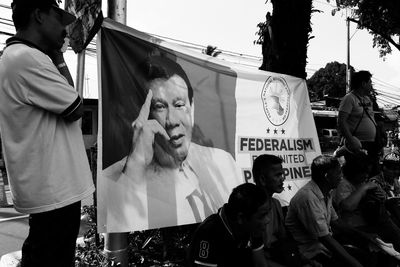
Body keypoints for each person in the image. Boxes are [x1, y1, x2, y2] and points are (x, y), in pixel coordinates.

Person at [98, 56, 243, 232]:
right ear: (143, 114)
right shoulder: (116, 179)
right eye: (159, 107)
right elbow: (117, 230)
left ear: (192, 107)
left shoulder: (223, 162)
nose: (171, 120)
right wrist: (135, 166)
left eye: (179, 105)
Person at [0, 1, 95, 267]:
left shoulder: (28, 57)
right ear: (39, 15)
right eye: (58, 17)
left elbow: (69, 97)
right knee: (49, 257)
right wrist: (59, 58)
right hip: (54, 188)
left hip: (53, 187)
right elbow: (75, 107)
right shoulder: (26, 58)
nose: (65, 28)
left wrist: (57, 58)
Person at [285, 155, 363, 267]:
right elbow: (325, 238)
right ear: (327, 176)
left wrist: (364, 235)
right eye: (338, 173)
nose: (341, 176)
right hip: (309, 252)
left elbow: (336, 222)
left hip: (322, 246)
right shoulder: (308, 197)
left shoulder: (327, 192)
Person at [188, 182, 271, 267]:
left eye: (267, 213)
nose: (268, 220)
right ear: (240, 218)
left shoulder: (253, 228)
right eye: (262, 216)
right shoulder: (209, 233)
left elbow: (260, 263)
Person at [333, 152, 400, 254]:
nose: (366, 175)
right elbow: (348, 206)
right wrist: (364, 188)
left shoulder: (362, 182)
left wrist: (381, 197)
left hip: (371, 223)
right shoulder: (343, 184)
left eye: (367, 173)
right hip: (354, 227)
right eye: (363, 173)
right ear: (354, 171)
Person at [338, 70, 381, 175]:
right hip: (357, 144)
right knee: (358, 174)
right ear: (363, 83)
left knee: (373, 173)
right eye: (370, 82)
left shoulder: (367, 99)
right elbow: (341, 121)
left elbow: (372, 119)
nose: (371, 85)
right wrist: (351, 139)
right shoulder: (349, 98)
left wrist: (378, 142)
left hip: (372, 144)